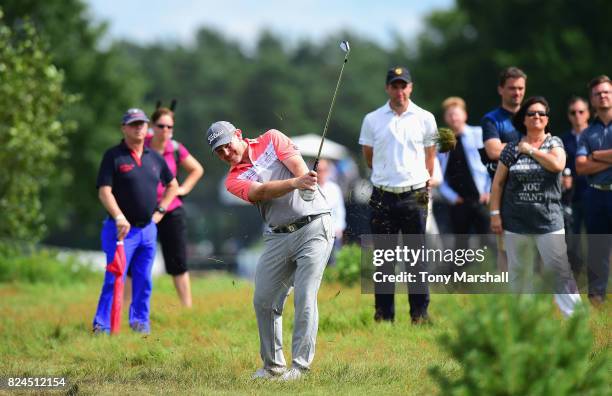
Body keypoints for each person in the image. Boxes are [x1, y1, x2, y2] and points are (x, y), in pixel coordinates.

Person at [206, 121, 333, 380]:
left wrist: (304, 182)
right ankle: (273, 367)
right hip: (278, 236)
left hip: (314, 225)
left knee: (305, 296)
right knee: (263, 300)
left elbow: (298, 165)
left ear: (238, 135)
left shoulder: (273, 138)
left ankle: (299, 368)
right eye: (219, 152)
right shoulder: (233, 179)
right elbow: (261, 192)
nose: (226, 153)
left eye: (227, 145)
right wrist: (296, 183)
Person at [489, 97, 581, 317]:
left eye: (541, 113)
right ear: (524, 120)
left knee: (560, 272)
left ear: (547, 119)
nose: (537, 116)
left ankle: (576, 320)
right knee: (519, 274)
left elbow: (557, 164)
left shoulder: (554, 143)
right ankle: (523, 323)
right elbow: (498, 184)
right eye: (532, 113)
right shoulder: (511, 149)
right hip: (516, 222)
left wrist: (530, 150)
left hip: (548, 221)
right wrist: (495, 214)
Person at [359, 66, 437, 324]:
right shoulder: (372, 119)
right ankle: (383, 315)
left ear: (410, 87)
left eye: (404, 85)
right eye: (395, 85)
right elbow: (369, 158)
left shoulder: (425, 117)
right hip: (382, 194)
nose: (399, 90)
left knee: (416, 257)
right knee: (384, 259)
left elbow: (430, 158)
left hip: (415, 193)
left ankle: (419, 313)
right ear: (387, 88)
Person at [93, 108, 179, 334]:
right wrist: (119, 216)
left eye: (142, 123)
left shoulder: (155, 157)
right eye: (133, 124)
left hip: (147, 230)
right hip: (120, 230)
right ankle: (102, 325)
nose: (139, 127)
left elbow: (173, 185)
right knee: (114, 278)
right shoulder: (114, 156)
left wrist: (160, 211)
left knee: (144, 280)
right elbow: (104, 191)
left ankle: (140, 323)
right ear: (124, 128)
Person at [145, 107, 204, 308]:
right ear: (152, 127)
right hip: (145, 210)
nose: (165, 130)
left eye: (169, 126)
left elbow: (197, 169)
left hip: (171, 210)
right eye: (161, 126)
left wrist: (183, 189)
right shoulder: (141, 145)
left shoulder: (176, 148)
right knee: (136, 262)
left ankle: (186, 308)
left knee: (178, 261)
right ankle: (127, 308)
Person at [480, 66, 527, 272]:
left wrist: (507, 148)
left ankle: (537, 301)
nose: (517, 93)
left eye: (520, 88)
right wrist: (528, 149)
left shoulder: (533, 115)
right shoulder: (492, 119)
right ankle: (506, 301)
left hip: (532, 191)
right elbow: (492, 151)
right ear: (501, 90)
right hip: (504, 192)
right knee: (505, 252)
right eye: (511, 88)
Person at [575, 75, 612, 306]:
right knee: (598, 249)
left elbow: (588, 161)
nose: (603, 96)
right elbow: (580, 166)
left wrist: (596, 155)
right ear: (592, 99)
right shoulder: (587, 134)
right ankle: (597, 299)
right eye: (598, 93)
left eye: (606, 92)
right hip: (596, 194)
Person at [438, 97, 491, 246]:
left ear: (465, 115)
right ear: (445, 118)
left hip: (481, 199)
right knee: (460, 245)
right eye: (450, 114)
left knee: (487, 241)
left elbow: (492, 166)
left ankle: (488, 269)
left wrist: (489, 191)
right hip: (458, 201)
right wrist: (451, 197)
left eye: (456, 113)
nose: (454, 117)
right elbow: (438, 174)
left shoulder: (479, 134)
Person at [560, 97, 591, 277]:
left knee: (600, 242)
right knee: (572, 243)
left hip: (596, 195)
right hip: (572, 199)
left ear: (588, 113)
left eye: (581, 111)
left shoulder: (598, 137)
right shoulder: (563, 140)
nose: (577, 115)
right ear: (569, 116)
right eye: (573, 112)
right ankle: (576, 283)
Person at [316, 158, 346, 265]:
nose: (321, 173)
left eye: (324, 170)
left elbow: (340, 211)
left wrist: (339, 228)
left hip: (332, 234)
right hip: (314, 235)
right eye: (318, 170)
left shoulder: (334, 189)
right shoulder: (309, 188)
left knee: (333, 264)